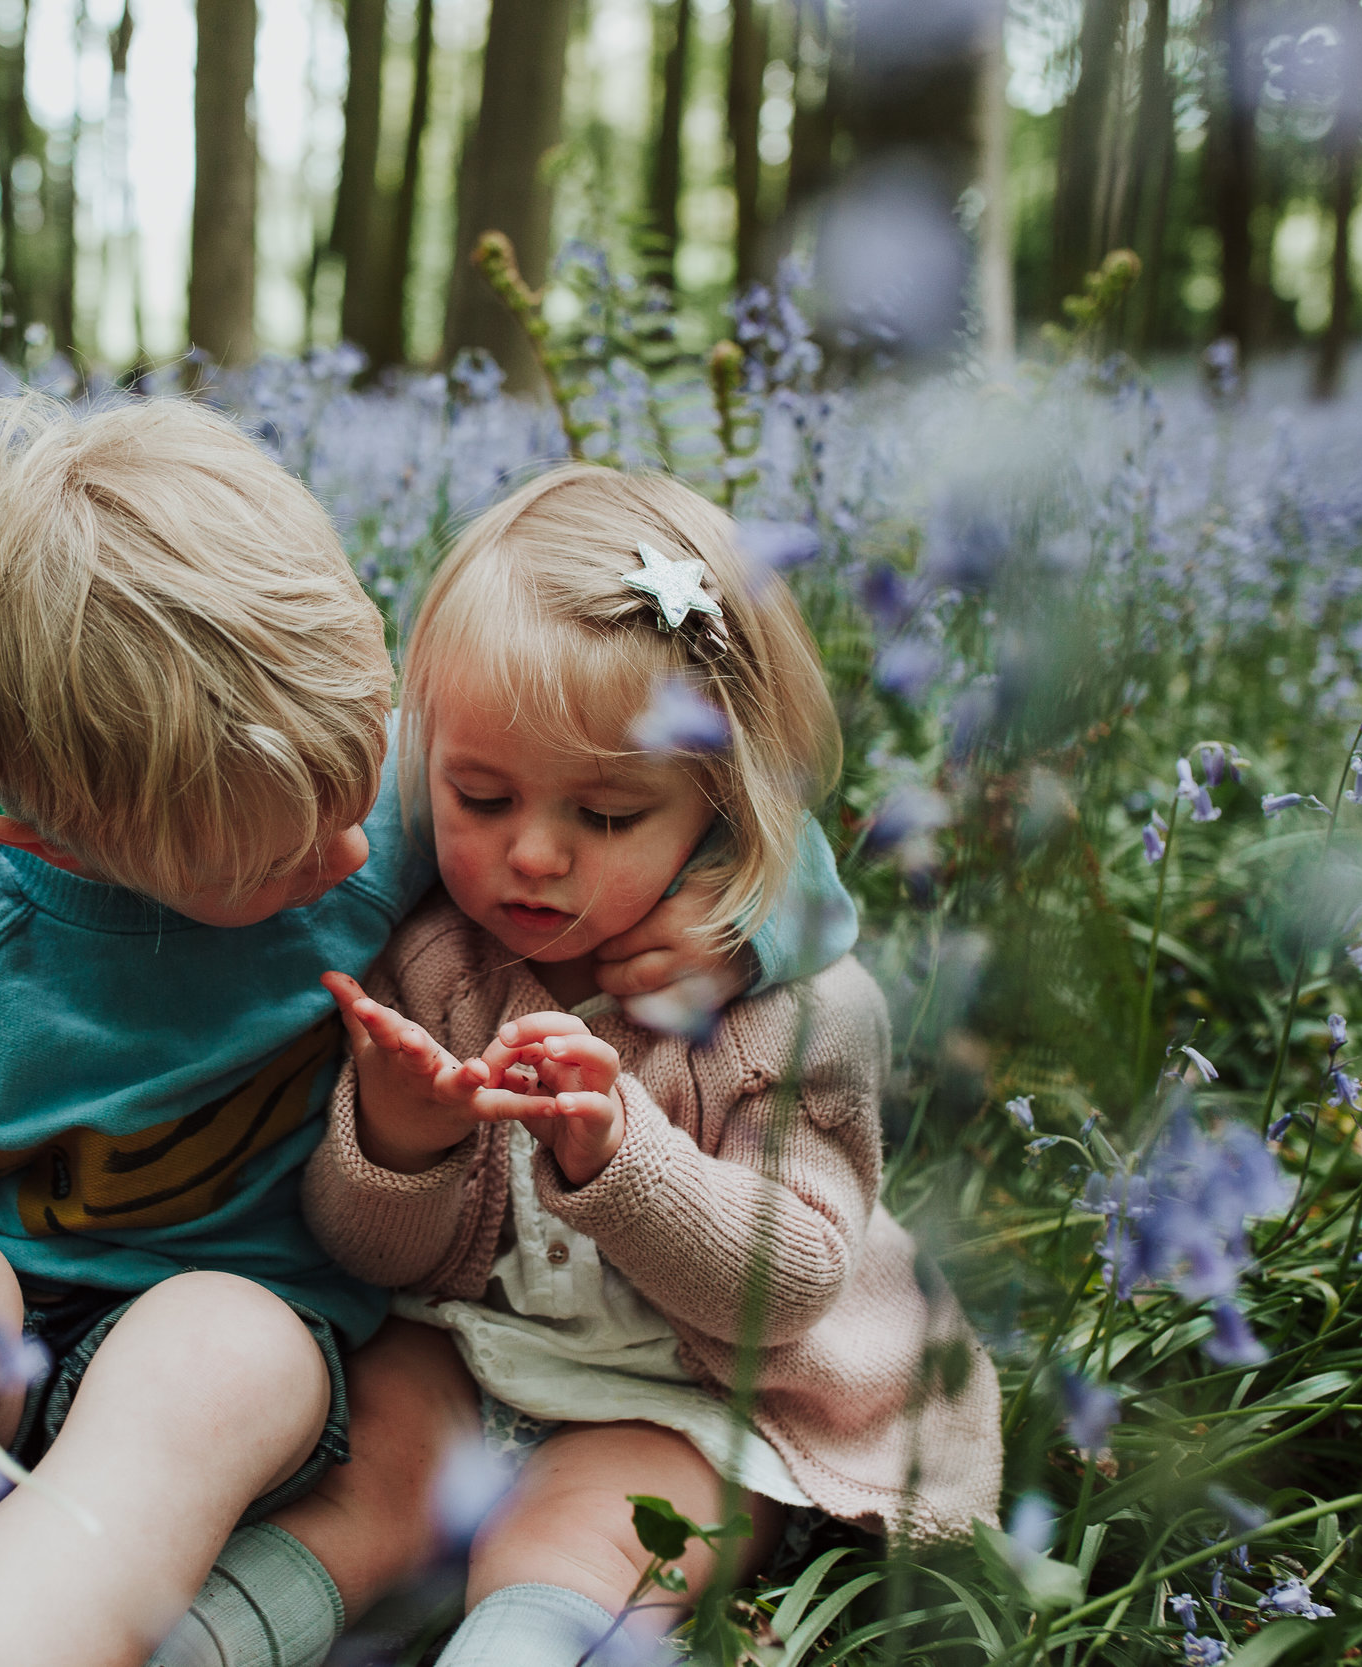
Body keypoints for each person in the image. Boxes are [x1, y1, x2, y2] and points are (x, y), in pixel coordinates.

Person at [0, 399, 859, 1667]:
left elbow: (719, 812)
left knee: (221, 1343)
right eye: (290, 856)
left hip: (227, 1398)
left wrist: (738, 923)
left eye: (365, 785)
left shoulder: (371, 787)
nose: (355, 850)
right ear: (54, 841)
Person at [301, 466, 1001, 1667]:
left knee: (576, 1545)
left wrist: (621, 1158)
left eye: (610, 815)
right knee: (355, 1491)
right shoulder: (438, 962)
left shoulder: (796, 1011)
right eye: (479, 793)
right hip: (473, 1349)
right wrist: (400, 1138)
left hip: (701, 1399)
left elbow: (787, 1288)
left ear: (717, 806)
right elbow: (371, 1253)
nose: (530, 853)